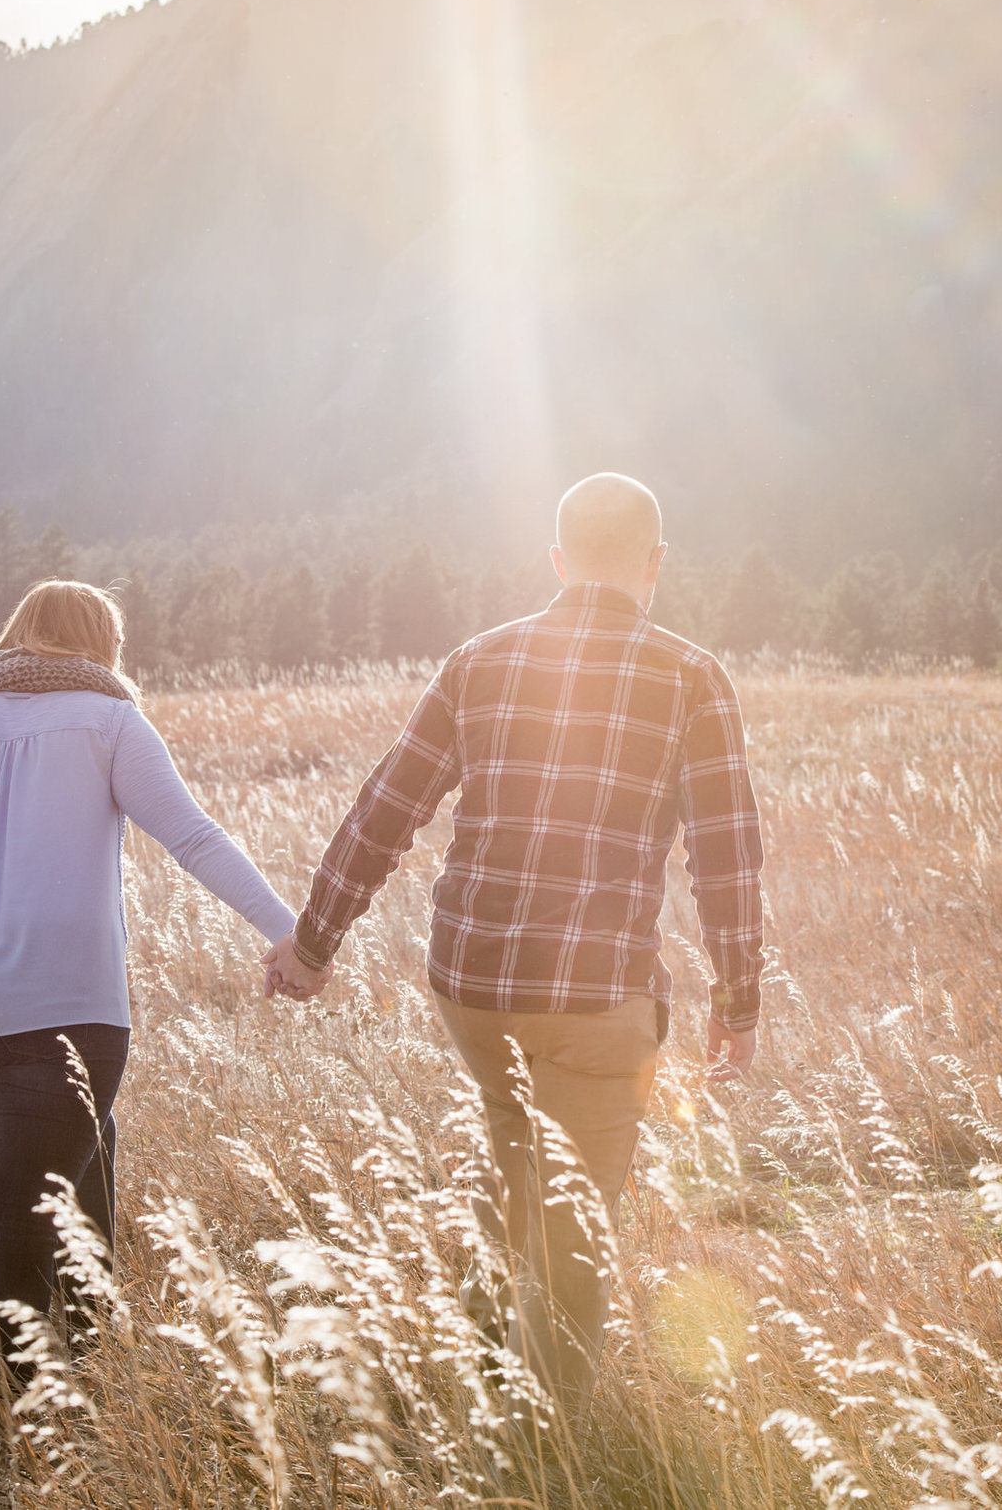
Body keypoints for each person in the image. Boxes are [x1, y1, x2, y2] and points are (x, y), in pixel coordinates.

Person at [263, 473, 766, 1416]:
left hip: (475, 986)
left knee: (520, 1161)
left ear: (557, 559)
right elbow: (727, 860)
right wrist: (740, 1007)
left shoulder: (479, 661)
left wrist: (313, 943)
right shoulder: (692, 675)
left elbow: (384, 812)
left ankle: (494, 1363)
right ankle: (545, 1445)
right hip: (598, 995)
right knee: (575, 1224)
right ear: (655, 564)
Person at [0, 580, 296, 1360]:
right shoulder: (111, 721)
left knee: (80, 1137)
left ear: (15, 635)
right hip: (67, 1012)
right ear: (104, 646)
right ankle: (1, 1391)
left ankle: (87, 1322)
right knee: (28, 1207)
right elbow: (195, 838)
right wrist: (288, 933)